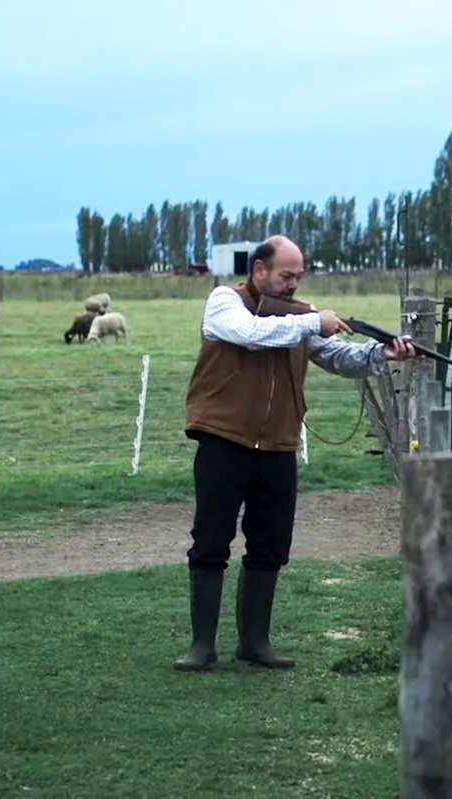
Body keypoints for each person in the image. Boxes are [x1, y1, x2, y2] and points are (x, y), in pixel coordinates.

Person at [175, 234, 418, 672]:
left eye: (299, 277)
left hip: (279, 445)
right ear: (259, 271)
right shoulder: (223, 302)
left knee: (270, 545)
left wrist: (381, 352)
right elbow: (251, 335)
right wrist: (312, 321)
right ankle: (201, 647)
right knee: (210, 542)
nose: (293, 284)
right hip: (223, 440)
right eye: (286, 275)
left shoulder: (301, 316)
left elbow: (339, 357)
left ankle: (255, 643)